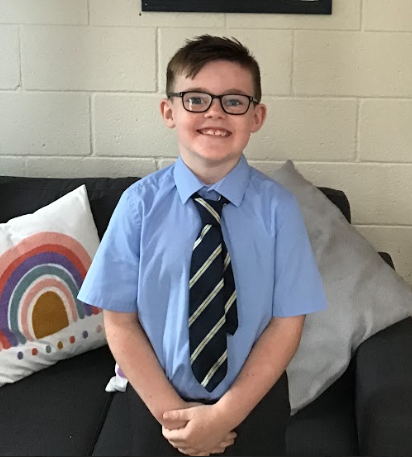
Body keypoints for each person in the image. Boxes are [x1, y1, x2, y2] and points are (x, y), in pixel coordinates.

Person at [78, 35, 326, 456]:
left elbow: (287, 324)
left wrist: (224, 416)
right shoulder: (138, 206)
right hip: (158, 405)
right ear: (168, 111)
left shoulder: (279, 209)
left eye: (234, 101)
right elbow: (119, 322)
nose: (215, 112)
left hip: (252, 406)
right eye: (195, 99)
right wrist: (173, 415)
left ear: (257, 116)